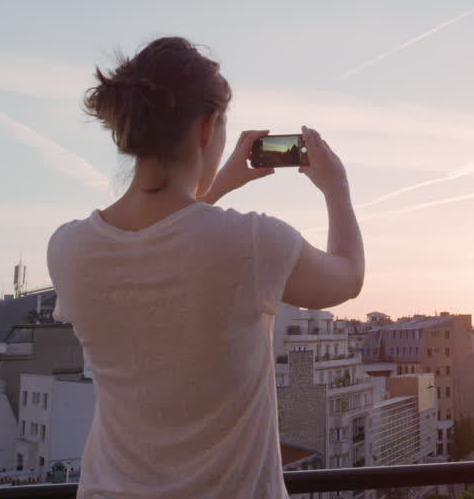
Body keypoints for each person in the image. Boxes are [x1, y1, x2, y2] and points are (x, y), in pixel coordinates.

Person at [47, 37, 364, 498]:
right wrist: (337, 187)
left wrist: (215, 185)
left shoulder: (68, 249)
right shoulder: (254, 242)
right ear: (207, 125)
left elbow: (168, 242)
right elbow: (348, 276)